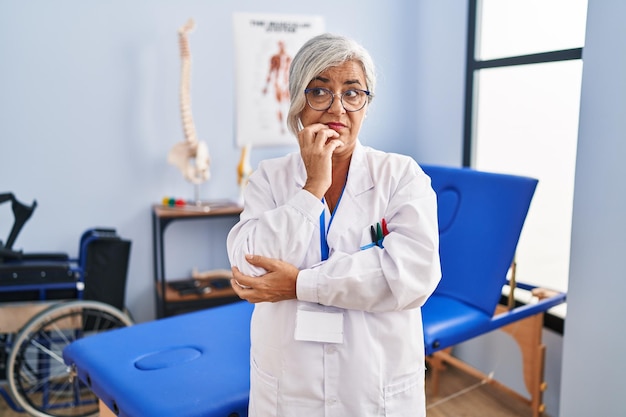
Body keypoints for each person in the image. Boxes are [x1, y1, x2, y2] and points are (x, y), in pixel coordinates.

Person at [227, 33, 441, 417]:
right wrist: (311, 189)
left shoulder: (401, 176)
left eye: (352, 92)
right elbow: (248, 269)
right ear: (297, 103)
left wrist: (299, 284)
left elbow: (412, 275)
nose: (337, 109)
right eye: (320, 92)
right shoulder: (269, 178)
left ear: (366, 104)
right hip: (290, 385)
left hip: (373, 383)